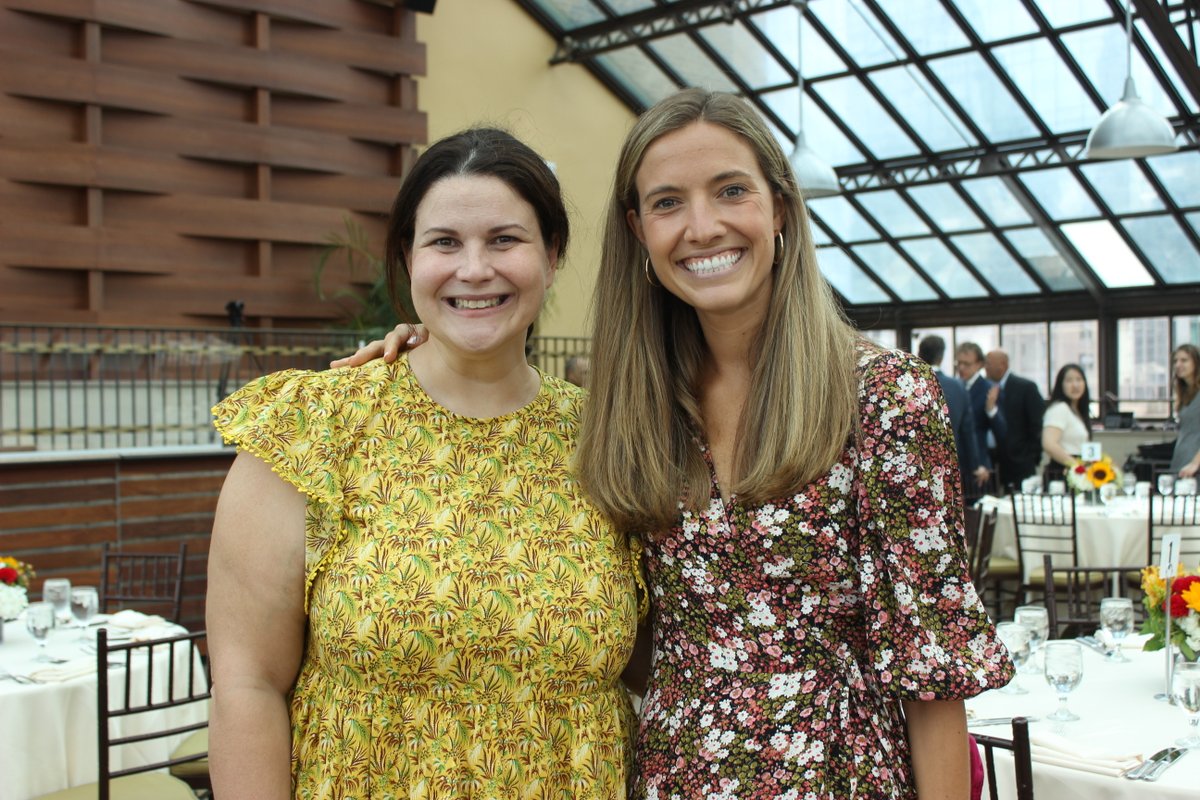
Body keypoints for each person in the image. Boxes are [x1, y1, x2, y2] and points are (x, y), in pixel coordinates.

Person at [344, 90, 1013, 799]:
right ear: (638, 229)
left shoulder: (884, 397)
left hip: (839, 776)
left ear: (781, 208)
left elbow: (932, 670)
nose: (702, 226)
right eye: (668, 203)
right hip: (672, 774)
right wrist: (430, 346)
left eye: (732, 191)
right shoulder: (633, 408)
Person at [206, 128, 642, 799]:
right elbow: (247, 685)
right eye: (444, 242)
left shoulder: (608, 439)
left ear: (552, 255)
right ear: (408, 257)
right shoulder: (314, 429)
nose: (475, 269)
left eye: (504, 239)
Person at [917, 335, 988, 494]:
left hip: (914, 467)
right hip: (949, 467)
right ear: (941, 357)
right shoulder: (958, 387)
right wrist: (975, 466)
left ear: (919, 354)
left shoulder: (908, 383)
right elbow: (967, 432)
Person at [984, 349, 1045, 491]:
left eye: (988, 363)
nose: (985, 367)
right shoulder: (985, 387)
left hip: (1020, 460)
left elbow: (1037, 424)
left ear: (1002, 364)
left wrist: (1031, 455)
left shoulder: (1025, 387)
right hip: (992, 460)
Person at [955, 342, 1006, 489]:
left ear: (979, 365)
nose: (961, 368)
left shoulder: (989, 389)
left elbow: (1002, 432)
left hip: (978, 464)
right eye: (959, 363)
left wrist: (991, 410)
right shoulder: (953, 387)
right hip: (955, 462)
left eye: (967, 364)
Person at [1042, 363, 1092, 484]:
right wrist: (1076, 467)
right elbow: (1049, 444)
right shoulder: (1059, 408)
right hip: (1063, 472)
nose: (1075, 385)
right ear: (1061, 385)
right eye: (1069, 380)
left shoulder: (1077, 411)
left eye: (1079, 379)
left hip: (1077, 471)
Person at [1170, 344, 1200, 478]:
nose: (1178, 365)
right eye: (1175, 361)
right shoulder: (1185, 393)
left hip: (1195, 466)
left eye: (1184, 360)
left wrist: (1195, 463)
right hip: (1182, 461)